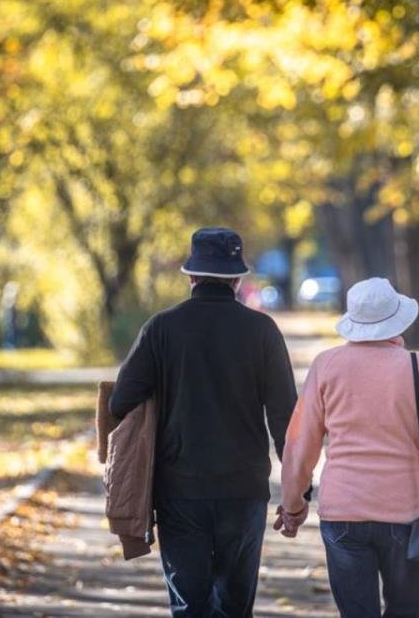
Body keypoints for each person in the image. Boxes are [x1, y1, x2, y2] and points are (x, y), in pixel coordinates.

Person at [109, 227, 298, 617]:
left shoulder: (161, 328)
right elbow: (285, 418)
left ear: (191, 276)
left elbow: (120, 401)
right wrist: (297, 494)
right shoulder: (262, 331)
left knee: (190, 605)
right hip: (244, 489)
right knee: (234, 606)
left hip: (179, 489)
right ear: (237, 278)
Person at [278, 277, 419, 618]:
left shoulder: (326, 365)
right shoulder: (418, 367)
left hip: (342, 514)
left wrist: (293, 506)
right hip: (405, 515)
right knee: (406, 609)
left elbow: (300, 446)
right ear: (397, 319)